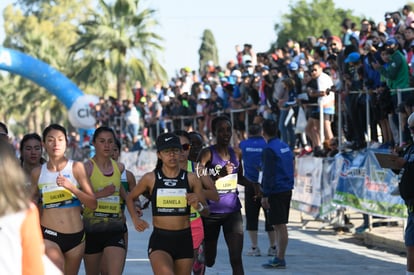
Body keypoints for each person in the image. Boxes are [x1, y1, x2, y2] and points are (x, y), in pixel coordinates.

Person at [126, 132, 208, 275]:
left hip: (184, 239)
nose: (172, 155)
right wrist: (135, 218)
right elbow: (130, 197)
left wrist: (198, 205)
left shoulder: (192, 179)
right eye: (167, 151)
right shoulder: (150, 178)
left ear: (180, 152)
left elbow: (206, 211)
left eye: (175, 150)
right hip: (160, 240)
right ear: (159, 155)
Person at [31, 124, 97, 274]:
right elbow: (31, 200)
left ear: (66, 142)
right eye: (51, 140)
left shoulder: (76, 168)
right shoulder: (37, 172)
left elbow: (93, 204)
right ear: (44, 144)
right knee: (57, 268)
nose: (56, 144)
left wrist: (72, 188)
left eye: (60, 139)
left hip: (76, 238)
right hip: (49, 235)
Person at [197, 115, 246, 275]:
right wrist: (219, 175)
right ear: (214, 133)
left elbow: (240, 177)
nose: (225, 134)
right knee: (209, 260)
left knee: (236, 259)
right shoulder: (206, 154)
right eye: (221, 131)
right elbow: (196, 181)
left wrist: (254, 186)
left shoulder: (237, 153)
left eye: (228, 130)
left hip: (232, 211)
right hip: (210, 213)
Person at [0, 138, 56, 275]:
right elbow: (33, 267)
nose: (33, 153)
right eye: (28, 148)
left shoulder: (24, 211)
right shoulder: (24, 211)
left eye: (37, 148)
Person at [82, 126, 128, 275]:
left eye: (110, 141)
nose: (107, 145)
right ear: (93, 143)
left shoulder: (119, 168)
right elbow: (80, 198)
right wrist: (102, 193)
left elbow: (124, 194)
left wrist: (135, 207)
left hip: (115, 228)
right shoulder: (85, 168)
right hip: (92, 230)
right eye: (102, 141)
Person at [174, 130, 219, 275]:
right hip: (171, 227)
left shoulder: (196, 168)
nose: (182, 152)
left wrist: (197, 192)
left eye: (185, 147)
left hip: (194, 224)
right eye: (177, 147)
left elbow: (215, 195)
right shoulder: (163, 170)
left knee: (197, 269)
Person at [260, 119, 294, 269]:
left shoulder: (269, 149)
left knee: (280, 225)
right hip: (286, 187)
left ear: (264, 132)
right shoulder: (284, 145)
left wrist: (265, 194)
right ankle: (279, 255)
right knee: (280, 224)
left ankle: (280, 258)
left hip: (276, 190)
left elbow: (268, 173)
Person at [239, 124, 277, 257]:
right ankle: (273, 247)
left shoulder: (243, 144)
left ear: (248, 133)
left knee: (251, 216)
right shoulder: (266, 144)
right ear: (261, 132)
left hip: (250, 184)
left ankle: (254, 247)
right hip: (266, 184)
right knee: (269, 216)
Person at [111, 138, 138, 272]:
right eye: (108, 148)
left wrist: (137, 207)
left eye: (115, 150)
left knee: (117, 269)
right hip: (96, 226)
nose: (111, 152)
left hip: (120, 225)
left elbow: (134, 198)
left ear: (119, 153)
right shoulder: (90, 171)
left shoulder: (128, 176)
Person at [393, 112, 414, 275]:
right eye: (410, 129)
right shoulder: (410, 148)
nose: (411, 132)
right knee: (410, 244)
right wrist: (395, 163)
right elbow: (404, 168)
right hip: (410, 204)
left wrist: (406, 164)